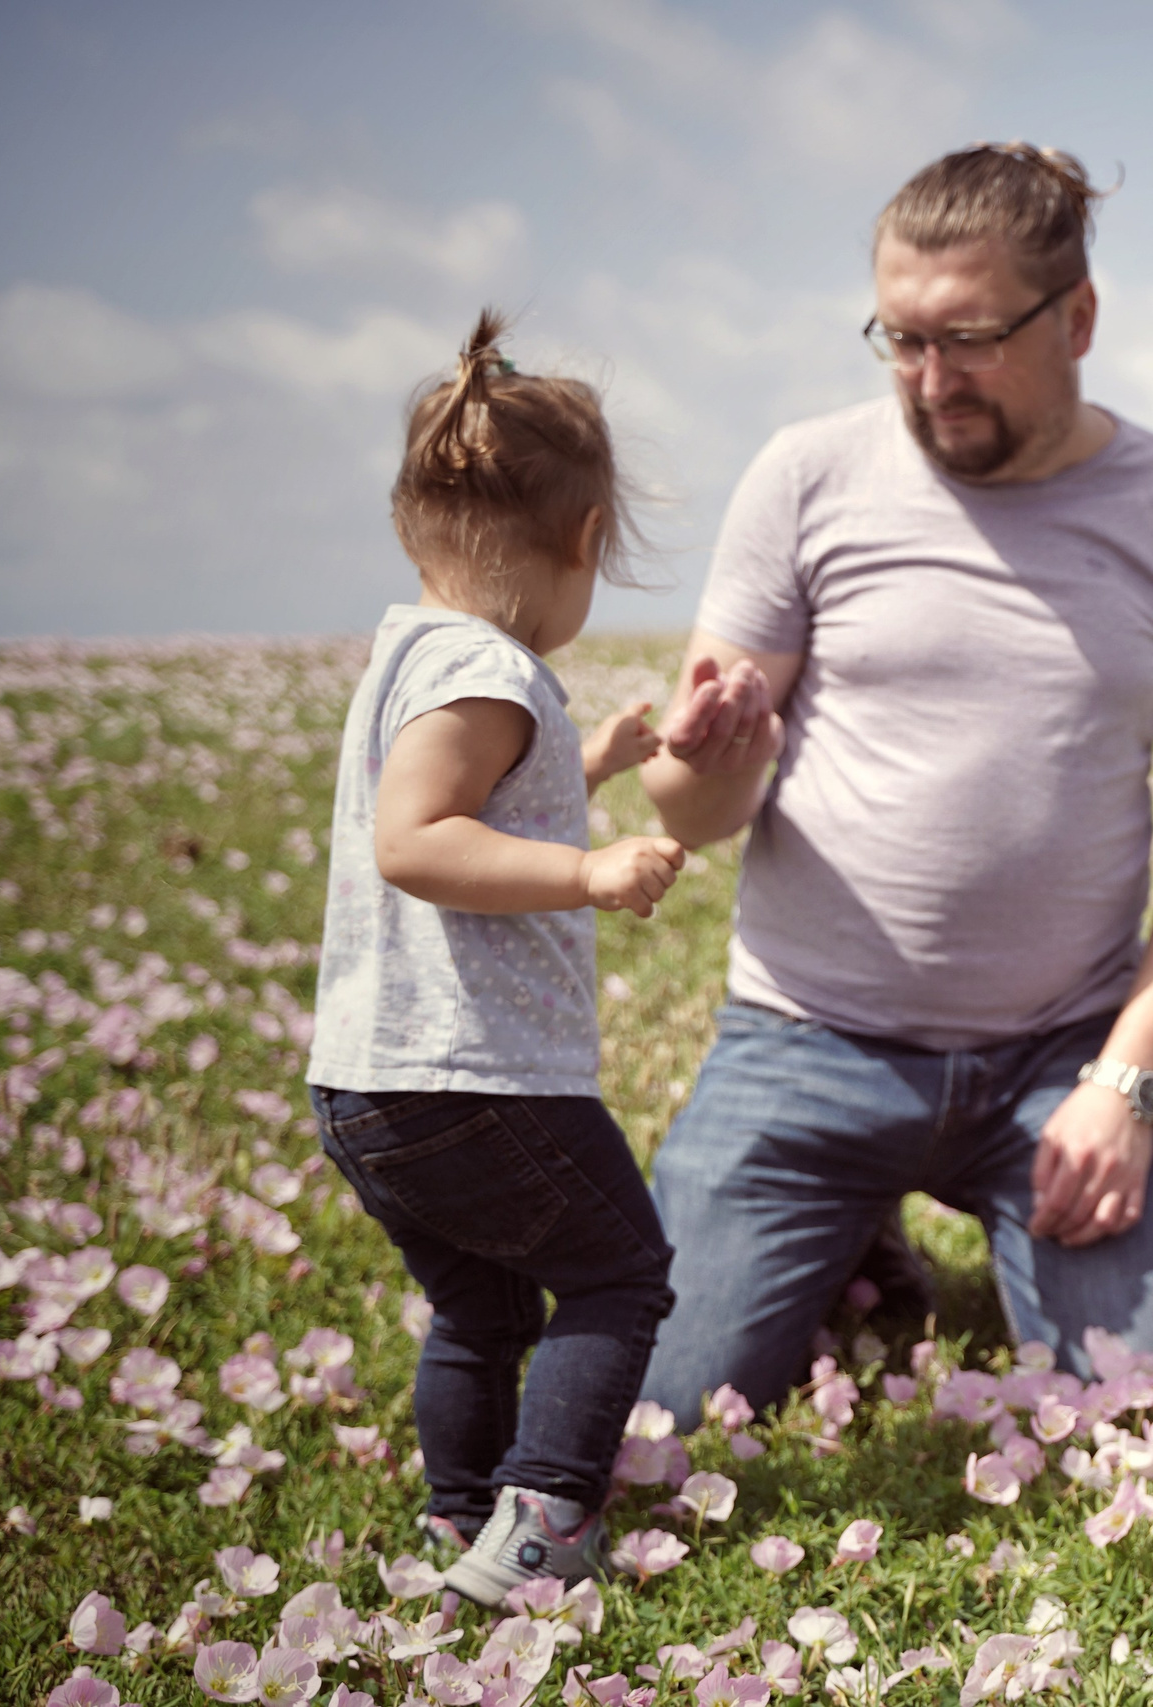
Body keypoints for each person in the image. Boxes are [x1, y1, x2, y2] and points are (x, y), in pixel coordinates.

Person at [635, 143, 1153, 1428]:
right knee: (654, 1412)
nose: (932, 383)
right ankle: (843, 1222)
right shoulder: (804, 477)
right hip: (806, 1045)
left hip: (1058, 1058)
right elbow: (692, 817)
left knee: (1144, 1411)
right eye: (901, 339)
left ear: (1077, 315)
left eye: (970, 339)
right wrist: (706, 767)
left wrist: (1123, 1085)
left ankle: (857, 1237)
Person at [306, 311, 685, 1604]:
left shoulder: (414, 656)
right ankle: (541, 1528)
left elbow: (485, 800)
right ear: (586, 541)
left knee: (482, 1308)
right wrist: (587, 870)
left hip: (372, 1079)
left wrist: (599, 765)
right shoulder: (488, 668)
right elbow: (420, 840)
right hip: (474, 1077)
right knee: (620, 1267)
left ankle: (454, 1517)